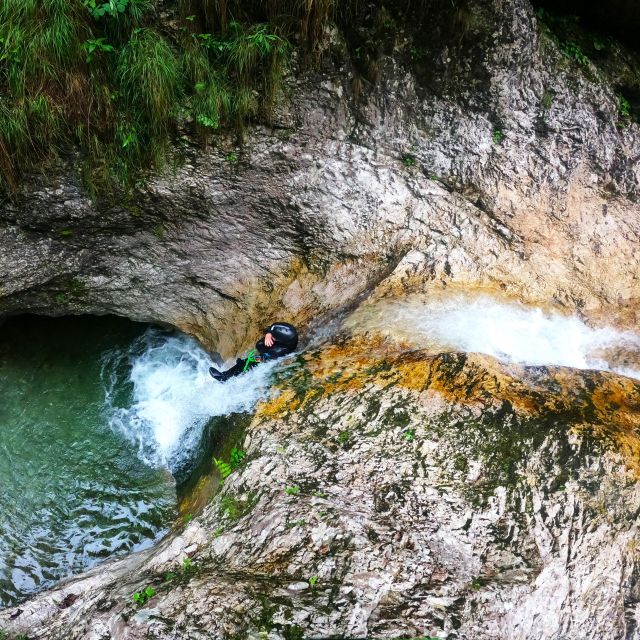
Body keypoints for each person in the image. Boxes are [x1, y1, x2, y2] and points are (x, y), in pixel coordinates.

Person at [209, 322, 298, 382]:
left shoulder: (278, 351)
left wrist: (249, 360)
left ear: (280, 340)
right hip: (276, 348)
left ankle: (224, 377)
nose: (272, 337)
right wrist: (269, 334)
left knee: (246, 363)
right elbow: (273, 326)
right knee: (259, 344)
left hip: (269, 358)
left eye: (273, 337)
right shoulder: (288, 330)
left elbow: (263, 359)